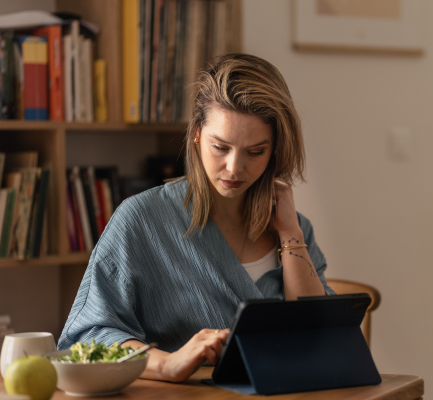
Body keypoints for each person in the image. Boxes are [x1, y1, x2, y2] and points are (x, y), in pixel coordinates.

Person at [57, 53, 335, 382]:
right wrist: (167, 364)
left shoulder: (294, 227)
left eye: (255, 151)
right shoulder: (141, 219)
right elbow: (89, 336)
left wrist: (291, 234)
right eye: (221, 147)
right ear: (197, 135)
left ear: (275, 149)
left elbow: (323, 336)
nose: (234, 168)